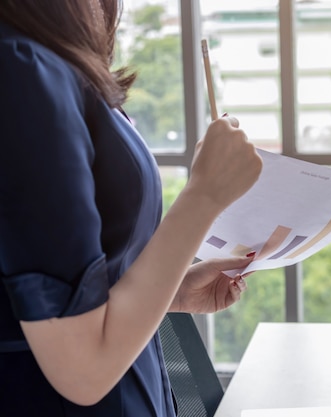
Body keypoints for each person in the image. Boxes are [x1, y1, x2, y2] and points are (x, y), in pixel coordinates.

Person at [0, 1, 263, 416]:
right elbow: (82, 371)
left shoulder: (47, 60)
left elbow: (66, 295)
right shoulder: (21, 71)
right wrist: (205, 194)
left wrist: (172, 291)